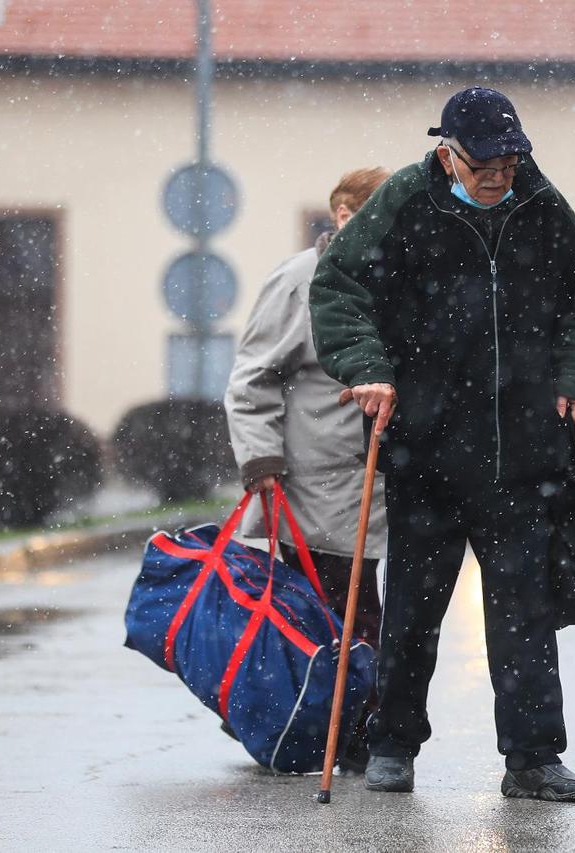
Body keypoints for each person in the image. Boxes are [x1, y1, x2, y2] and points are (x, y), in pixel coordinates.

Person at [308, 87, 575, 802]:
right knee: (413, 610)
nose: (499, 175)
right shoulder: (407, 199)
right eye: (484, 165)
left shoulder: (539, 202)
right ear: (448, 153)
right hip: (428, 449)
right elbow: (336, 283)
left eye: (509, 160)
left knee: (525, 613)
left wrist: (572, 371)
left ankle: (532, 758)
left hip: (521, 448)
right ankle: (392, 746)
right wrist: (369, 368)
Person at [224, 166, 392, 770]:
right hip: (314, 483)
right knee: (328, 613)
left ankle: (352, 730)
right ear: (344, 216)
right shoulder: (300, 280)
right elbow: (252, 378)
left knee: (361, 610)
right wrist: (261, 461)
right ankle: (330, 730)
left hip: (373, 484)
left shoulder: (393, 278)